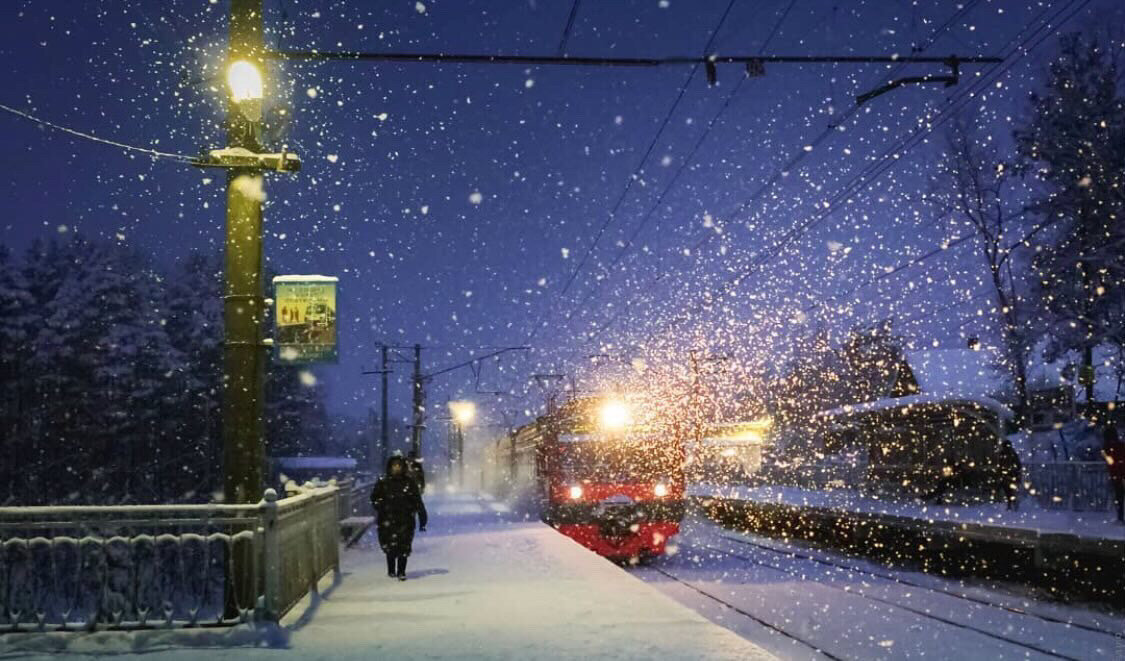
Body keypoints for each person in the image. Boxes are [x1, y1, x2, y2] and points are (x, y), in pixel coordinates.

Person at [370, 455, 428, 580]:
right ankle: (391, 571)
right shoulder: (383, 482)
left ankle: (401, 571)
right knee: (389, 546)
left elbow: (417, 501)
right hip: (387, 519)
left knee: (404, 545)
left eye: (399, 465)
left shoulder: (409, 482)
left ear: (403, 467)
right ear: (390, 467)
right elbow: (374, 498)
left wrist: (422, 519)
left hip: (405, 519)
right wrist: (380, 505)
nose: (396, 468)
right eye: (394, 466)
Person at [1102, 425, 1125, 523]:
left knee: (1119, 496)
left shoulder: (1107, 447)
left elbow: (1109, 460)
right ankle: (1120, 517)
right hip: (1121, 472)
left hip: (1116, 474)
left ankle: (1120, 517)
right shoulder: (1121, 445)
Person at [997, 438, 1022, 511]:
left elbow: (1018, 465)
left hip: (1009, 475)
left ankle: (1011, 504)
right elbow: (1018, 465)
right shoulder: (1011, 453)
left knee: (1009, 491)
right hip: (1010, 475)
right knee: (1010, 491)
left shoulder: (1009, 454)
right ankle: (1012, 504)